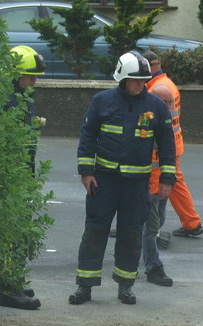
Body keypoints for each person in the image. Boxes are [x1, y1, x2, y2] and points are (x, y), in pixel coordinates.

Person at [69, 51, 176, 306]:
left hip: (137, 185)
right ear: (122, 78)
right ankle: (85, 285)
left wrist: (167, 179)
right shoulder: (101, 101)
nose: (140, 85)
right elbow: (87, 136)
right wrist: (86, 172)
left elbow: (167, 145)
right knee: (95, 232)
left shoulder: (155, 106)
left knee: (131, 235)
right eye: (134, 80)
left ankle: (125, 286)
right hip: (103, 182)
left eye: (143, 80)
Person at [0, 45, 46, 310]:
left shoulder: (20, 97)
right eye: (30, 76)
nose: (34, 81)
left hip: (19, 173)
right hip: (13, 177)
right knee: (14, 233)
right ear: (16, 75)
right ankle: (9, 287)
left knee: (12, 233)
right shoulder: (10, 101)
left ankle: (3, 282)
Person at [143, 51, 203, 239]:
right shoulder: (167, 84)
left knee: (159, 185)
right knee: (174, 181)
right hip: (173, 142)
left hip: (161, 147)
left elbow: (153, 124)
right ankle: (191, 222)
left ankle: (186, 223)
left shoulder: (156, 90)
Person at [141, 84, 176, 287]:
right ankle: (153, 267)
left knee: (155, 223)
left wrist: (168, 180)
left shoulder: (163, 121)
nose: (170, 106)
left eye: (171, 102)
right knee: (151, 228)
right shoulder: (147, 123)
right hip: (148, 186)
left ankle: (133, 254)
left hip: (159, 185)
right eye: (166, 102)